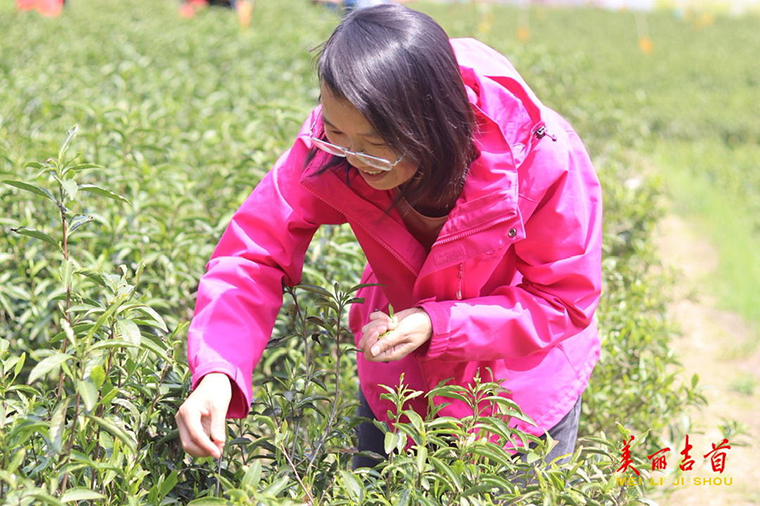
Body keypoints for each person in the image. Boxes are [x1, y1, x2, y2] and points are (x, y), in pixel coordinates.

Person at [175, 4, 602, 469]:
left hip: (518, 396)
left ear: (434, 127)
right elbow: (254, 254)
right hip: (400, 386)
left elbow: (562, 301)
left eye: (377, 145)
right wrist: (217, 370)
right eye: (337, 131)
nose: (353, 158)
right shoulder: (330, 145)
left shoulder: (538, 156)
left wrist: (439, 324)